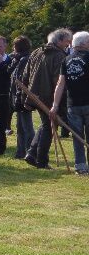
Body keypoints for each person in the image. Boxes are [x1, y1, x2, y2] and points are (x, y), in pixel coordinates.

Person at [23, 28, 73, 169]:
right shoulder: (59, 56)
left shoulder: (36, 52)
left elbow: (25, 76)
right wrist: (60, 101)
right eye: (67, 42)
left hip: (35, 95)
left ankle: (32, 153)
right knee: (49, 127)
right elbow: (59, 81)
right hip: (48, 96)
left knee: (46, 124)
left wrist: (25, 97)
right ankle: (41, 160)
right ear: (60, 40)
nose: (68, 45)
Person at [51, 31, 89, 175]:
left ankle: (80, 166)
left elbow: (60, 84)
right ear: (84, 44)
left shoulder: (67, 59)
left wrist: (55, 105)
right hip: (87, 103)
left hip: (72, 105)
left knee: (77, 136)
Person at [7, 36, 33, 159]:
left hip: (22, 97)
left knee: (26, 127)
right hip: (17, 96)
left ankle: (30, 152)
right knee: (20, 127)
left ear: (17, 47)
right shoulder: (18, 59)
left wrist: (18, 99)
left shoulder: (25, 60)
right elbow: (9, 73)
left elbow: (20, 81)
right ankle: (20, 152)